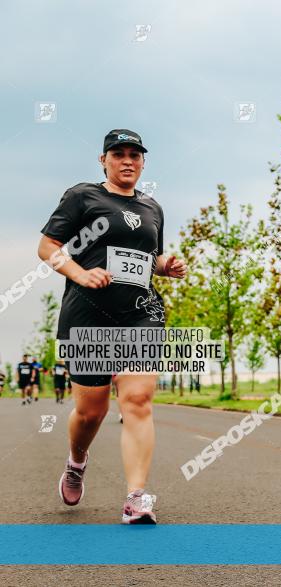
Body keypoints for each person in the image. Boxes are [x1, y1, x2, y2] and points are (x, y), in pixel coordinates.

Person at [37, 129, 186, 524]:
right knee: (92, 412)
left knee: (137, 400)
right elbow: (48, 247)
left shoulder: (153, 208)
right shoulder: (83, 196)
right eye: (118, 154)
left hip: (141, 314)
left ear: (143, 162)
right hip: (88, 314)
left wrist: (164, 266)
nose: (127, 161)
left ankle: (136, 498)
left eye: (134, 155)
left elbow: (148, 257)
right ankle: (77, 460)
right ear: (103, 160)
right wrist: (79, 274)